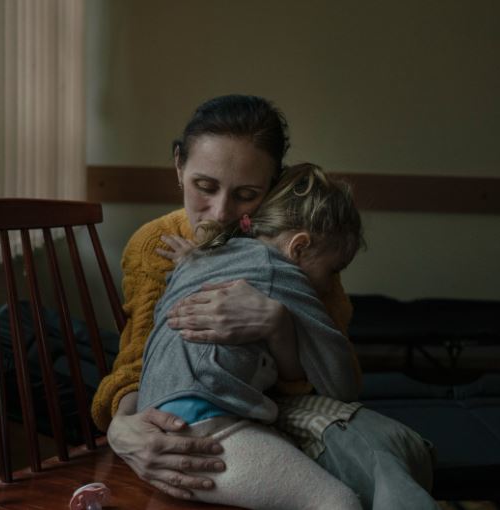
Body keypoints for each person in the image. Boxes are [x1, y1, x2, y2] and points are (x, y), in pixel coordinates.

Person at [91, 94, 438, 509]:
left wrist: (278, 325)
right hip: (203, 422)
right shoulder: (157, 244)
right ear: (179, 166)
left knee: (379, 455)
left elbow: (333, 385)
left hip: (269, 410)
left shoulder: (303, 242)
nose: (220, 213)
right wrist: (122, 425)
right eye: (205, 186)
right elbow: (138, 360)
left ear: (274, 187)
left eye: (246, 194)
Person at [137, 163, 364, 509]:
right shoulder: (280, 273)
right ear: (299, 247)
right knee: (340, 501)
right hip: (200, 427)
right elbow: (342, 384)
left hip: (154, 420)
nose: (330, 285)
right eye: (332, 270)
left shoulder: (208, 255)